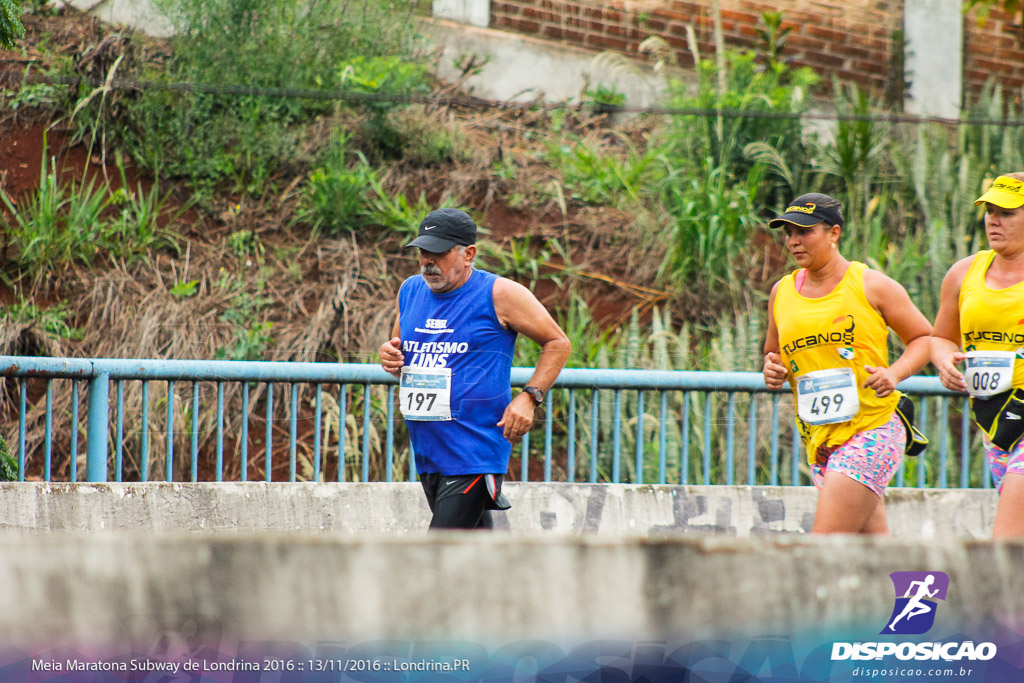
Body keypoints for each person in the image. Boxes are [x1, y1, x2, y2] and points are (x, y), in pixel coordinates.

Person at [379, 208, 571, 530]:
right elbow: (401, 351)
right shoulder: (411, 290)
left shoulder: (500, 294)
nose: (428, 261)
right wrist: (390, 356)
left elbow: (558, 342)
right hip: (429, 452)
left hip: (473, 452)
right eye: (423, 252)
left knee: (435, 557)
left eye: (438, 253)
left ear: (469, 254)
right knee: (473, 563)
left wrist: (529, 397)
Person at [762, 193, 932, 534]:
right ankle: (926, 589)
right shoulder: (781, 292)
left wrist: (894, 372)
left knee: (825, 547)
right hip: (821, 439)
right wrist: (772, 369)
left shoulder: (871, 285)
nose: (793, 241)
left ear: (834, 233)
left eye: (804, 231)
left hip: (874, 428)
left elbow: (925, 339)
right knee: (873, 553)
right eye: (788, 233)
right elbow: (773, 354)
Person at [932, 173, 1024, 538]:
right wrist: (944, 361)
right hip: (995, 419)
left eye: (1006, 211)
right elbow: (940, 338)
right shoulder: (963, 272)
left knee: (1006, 539)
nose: (993, 220)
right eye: (989, 210)